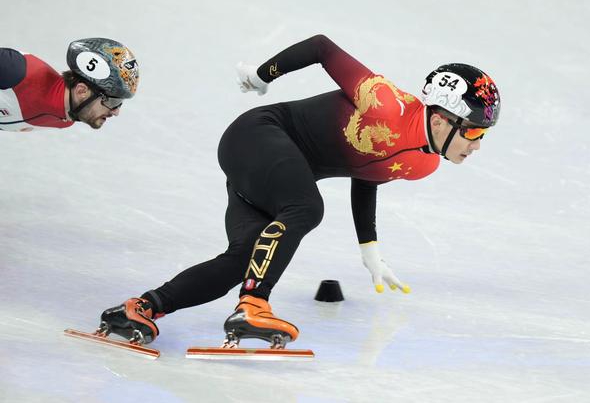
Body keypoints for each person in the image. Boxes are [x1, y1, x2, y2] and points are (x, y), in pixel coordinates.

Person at [99, 35, 501, 347]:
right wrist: (261, 75)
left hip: (266, 176)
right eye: (476, 131)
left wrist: (369, 248)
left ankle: (142, 307)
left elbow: (367, 173)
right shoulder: (385, 103)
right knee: (306, 206)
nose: (478, 145)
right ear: (443, 119)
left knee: (241, 261)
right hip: (257, 135)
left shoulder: (426, 163)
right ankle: (253, 306)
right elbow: (321, 47)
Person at [0, 38, 139, 132]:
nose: (116, 112)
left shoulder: (65, 120)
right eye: (112, 101)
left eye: (119, 103)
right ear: (82, 91)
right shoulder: (16, 71)